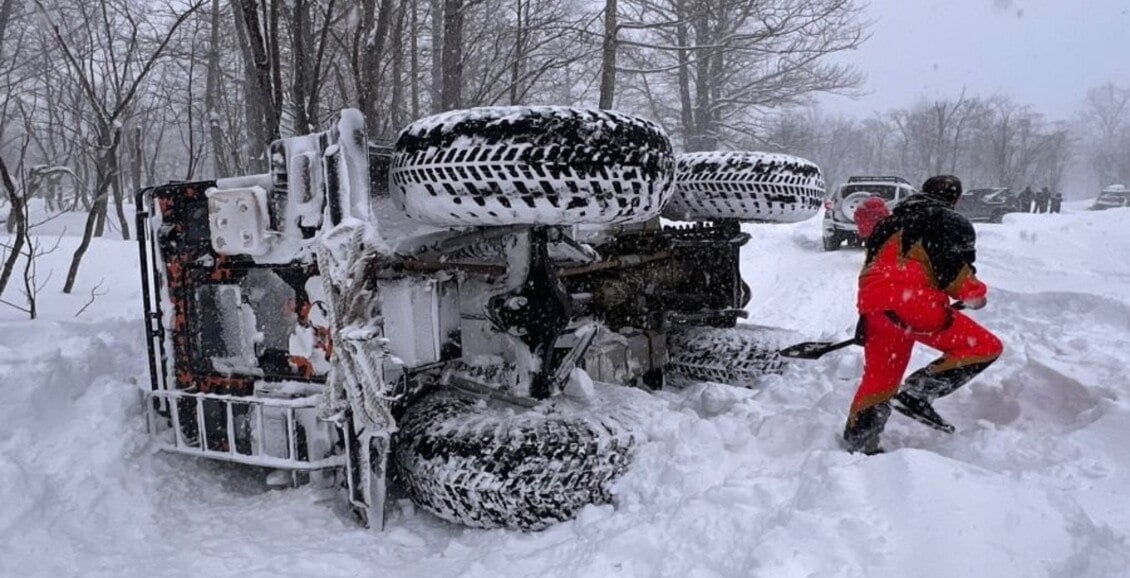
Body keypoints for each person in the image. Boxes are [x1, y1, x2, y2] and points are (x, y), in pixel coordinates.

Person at [842, 175, 1004, 455]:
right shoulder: (950, 221)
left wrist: (869, 319)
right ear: (955, 198)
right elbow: (955, 274)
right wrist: (975, 295)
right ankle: (917, 392)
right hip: (913, 304)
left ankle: (860, 440)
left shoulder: (888, 222)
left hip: (874, 306)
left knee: (880, 379)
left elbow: (876, 269)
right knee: (984, 347)